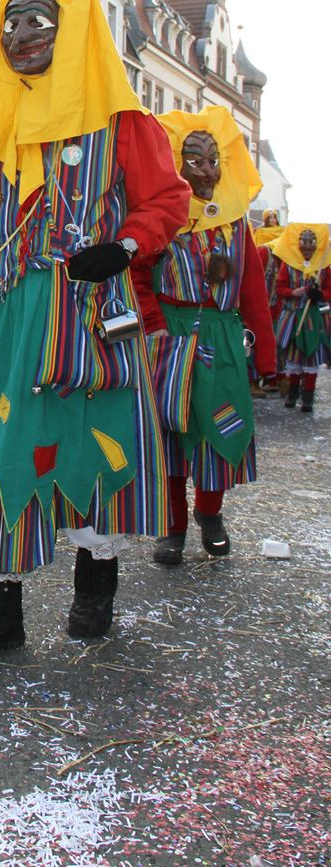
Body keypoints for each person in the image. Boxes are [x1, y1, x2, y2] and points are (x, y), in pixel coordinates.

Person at [0, 0, 190, 663]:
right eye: (10, 26)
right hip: (5, 318)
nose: (21, 37)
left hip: (89, 312)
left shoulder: (123, 119)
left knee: (87, 443)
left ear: (70, 32)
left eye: (38, 23)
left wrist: (123, 247)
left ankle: (94, 583)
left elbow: (167, 201)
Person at [138, 108, 275, 564]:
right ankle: (173, 526)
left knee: (219, 427)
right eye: (194, 162)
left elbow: (253, 287)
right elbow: (140, 275)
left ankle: (210, 513)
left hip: (221, 334)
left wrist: (267, 357)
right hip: (172, 336)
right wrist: (155, 328)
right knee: (172, 432)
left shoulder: (237, 224)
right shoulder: (163, 217)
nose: (208, 171)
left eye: (214, 160)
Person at [272, 223, 331, 412]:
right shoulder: (288, 266)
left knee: (310, 356)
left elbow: (330, 289)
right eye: (303, 245)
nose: (306, 249)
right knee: (293, 355)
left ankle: (308, 395)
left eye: (310, 245)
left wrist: (321, 295)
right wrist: (293, 291)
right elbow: (280, 289)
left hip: (313, 319)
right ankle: (292, 391)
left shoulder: (324, 267)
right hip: (293, 315)